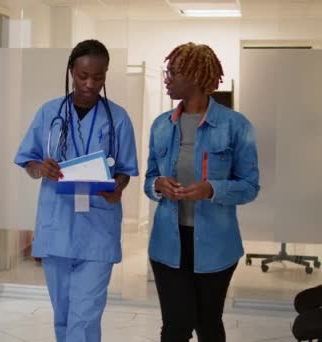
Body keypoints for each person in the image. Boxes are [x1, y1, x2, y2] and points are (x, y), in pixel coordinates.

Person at [14, 39, 138, 342]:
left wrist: (117, 187)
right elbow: (27, 161)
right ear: (71, 71)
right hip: (57, 225)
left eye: (98, 77)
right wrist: (40, 168)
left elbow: (125, 171)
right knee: (64, 316)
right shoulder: (49, 113)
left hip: (98, 228)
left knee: (85, 315)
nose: (90, 84)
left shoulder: (118, 118)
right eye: (83, 76)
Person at [143, 42, 260, 342]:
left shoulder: (235, 125)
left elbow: (250, 186)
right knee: (176, 325)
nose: (166, 78)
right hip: (168, 244)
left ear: (194, 76)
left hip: (216, 245)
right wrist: (158, 185)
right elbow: (149, 179)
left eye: (172, 72)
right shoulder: (160, 126)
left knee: (208, 324)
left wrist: (212, 190)